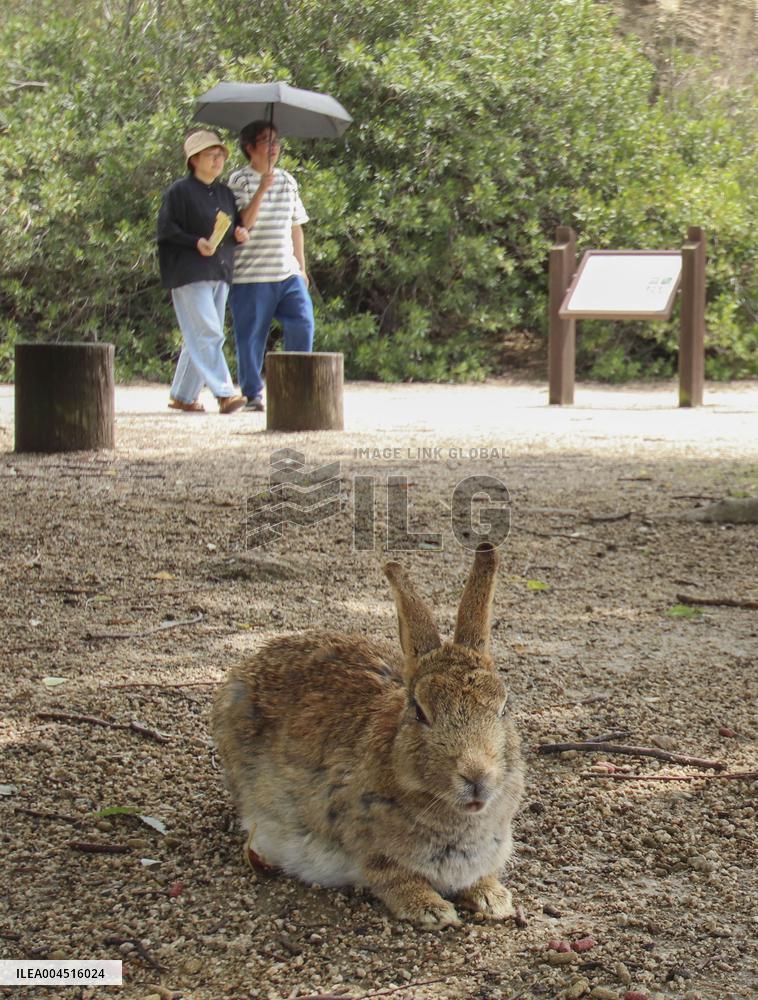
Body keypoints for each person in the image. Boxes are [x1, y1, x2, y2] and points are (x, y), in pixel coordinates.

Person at [157, 129, 249, 414]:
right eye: (211, 155)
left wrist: (239, 234)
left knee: (201, 334)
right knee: (208, 332)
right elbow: (166, 230)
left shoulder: (224, 193)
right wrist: (195, 242)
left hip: (218, 270)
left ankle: (183, 395)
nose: (218, 159)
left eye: (220, 155)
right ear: (194, 159)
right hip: (188, 272)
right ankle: (224, 393)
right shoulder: (178, 192)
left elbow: (230, 231)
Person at [228, 120, 315, 411]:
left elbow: (296, 226)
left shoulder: (289, 181)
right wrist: (261, 190)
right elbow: (242, 224)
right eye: (266, 141)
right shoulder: (239, 180)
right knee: (251, 335)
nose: (274, 147)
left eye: (277, 141)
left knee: (303, 323)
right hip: (251, 274)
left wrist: (302, 268)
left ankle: (298, 386)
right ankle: (253, 394)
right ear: (249, 147)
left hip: (286, 270)